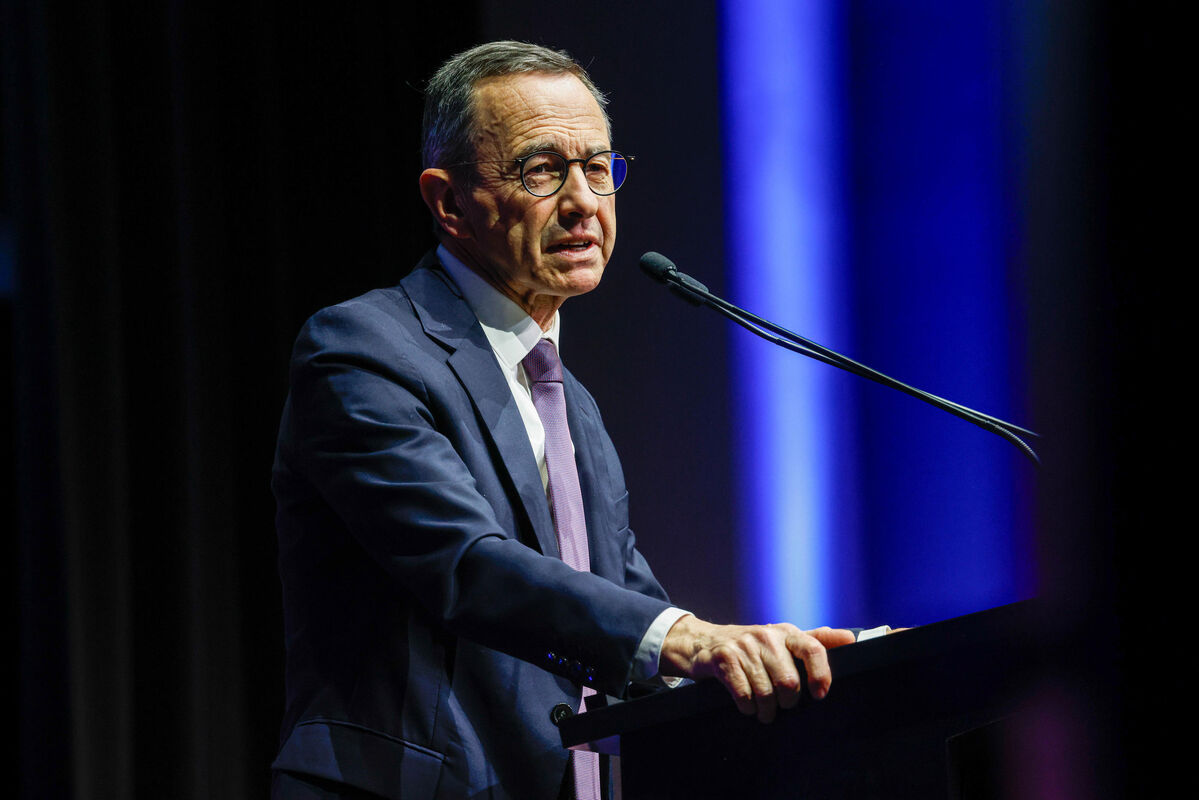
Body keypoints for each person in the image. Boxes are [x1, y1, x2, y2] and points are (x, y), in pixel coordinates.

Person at [271, 41, 856, 800]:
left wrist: (795, 665)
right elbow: (466, 567)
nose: (582, 200)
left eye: (598, 167)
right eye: (541, 170)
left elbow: (627, 617)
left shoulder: (569, 400)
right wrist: (691, 640)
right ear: (448, 203)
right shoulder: (360, 350)